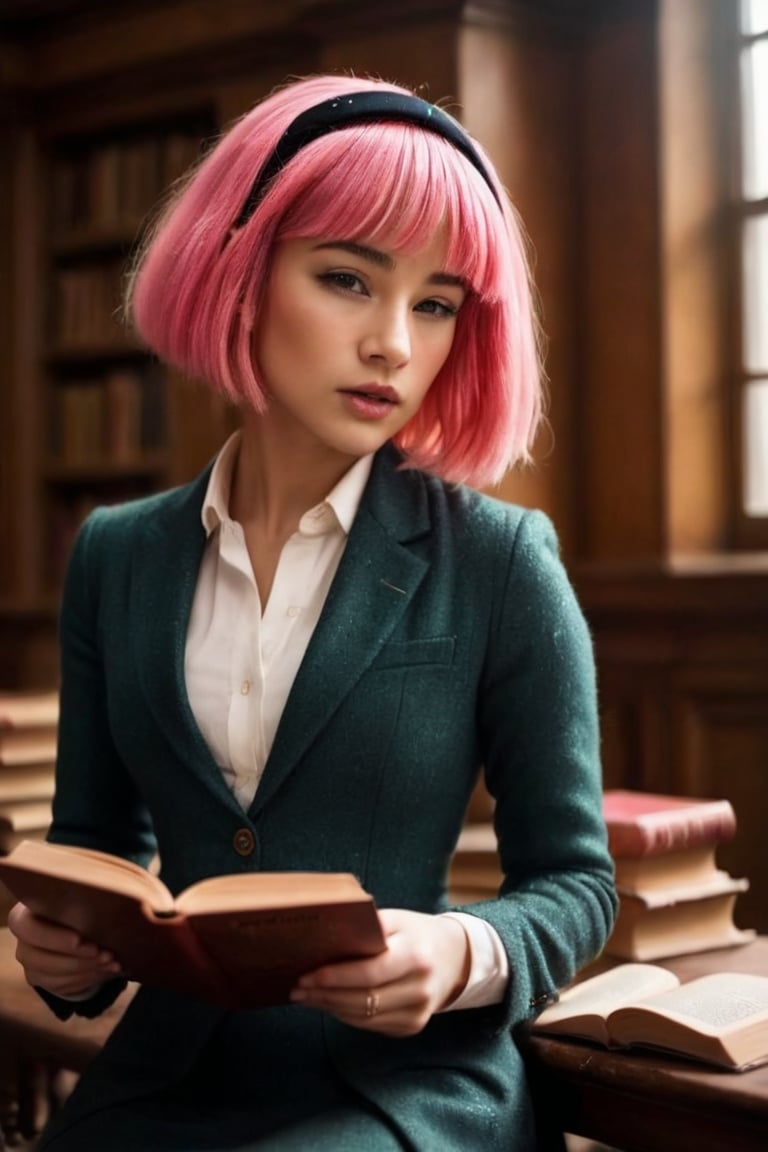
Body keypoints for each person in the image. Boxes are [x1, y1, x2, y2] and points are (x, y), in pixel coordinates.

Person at [7, 73, 616, 1151]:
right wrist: (63, 959)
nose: (395, 342)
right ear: (239, 273)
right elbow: (95, 848)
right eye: (348, 279)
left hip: (396, 1096)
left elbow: (574, 881)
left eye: (435, 304)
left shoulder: (502, 562)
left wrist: (461, 952)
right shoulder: (116, 556)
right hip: (163, 1083)